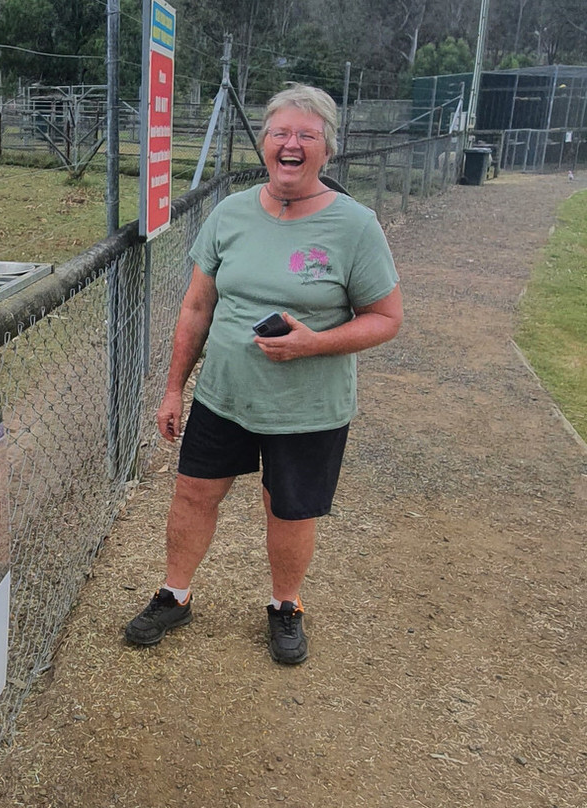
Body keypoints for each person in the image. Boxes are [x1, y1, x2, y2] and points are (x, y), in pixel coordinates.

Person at [124, 83, 403, 665]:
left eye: (306, 134)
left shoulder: (355, 226)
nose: (291, 144)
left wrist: (314, 343)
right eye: (280, 133)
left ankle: (285, 606)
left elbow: (385, 319)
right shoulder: (230, 213)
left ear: (327, 147)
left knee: (289, 508)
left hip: (308, 408)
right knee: (195, 494)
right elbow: (197, 307)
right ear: (265, 143)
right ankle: (175, 595)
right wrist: (175, 387)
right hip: (224, 398)